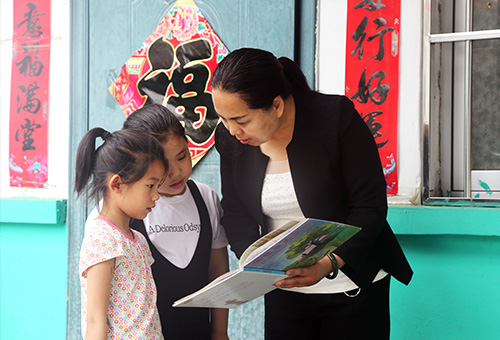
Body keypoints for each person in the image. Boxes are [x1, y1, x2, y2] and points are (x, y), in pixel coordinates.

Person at [211, 47, 413, 340]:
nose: (232, 131)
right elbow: (236, 211)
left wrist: (327, 264)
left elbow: (369, 208)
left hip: (351, 285)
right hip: (284, 289)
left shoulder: (335, 119)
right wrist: (254, 263)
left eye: (241, 120)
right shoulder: (230, 140)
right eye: (223, 119)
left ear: (277, 106)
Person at [85, 104, 230, 340]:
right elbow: (96, 315)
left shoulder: (205, 198)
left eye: (182, 156)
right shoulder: (111, 221)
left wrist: (219, 331)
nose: (175, 172)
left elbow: (218, 271)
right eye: (163, 167)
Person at [75, 127, 168, 339]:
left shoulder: (139, 241)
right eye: (150, 185)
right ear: (117, 184)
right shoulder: (102, 239)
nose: (156, 196)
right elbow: (95, 320)